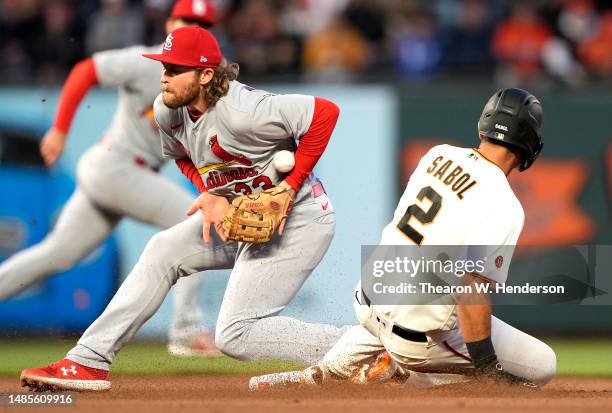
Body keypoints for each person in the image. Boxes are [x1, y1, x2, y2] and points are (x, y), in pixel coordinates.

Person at [19, 25, 347, 392]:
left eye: (175, 70)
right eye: (164, 68)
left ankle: (356, 347)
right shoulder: (167, 111)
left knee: (236, 335)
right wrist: (209, 193)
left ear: (206, 75)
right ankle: (88, 362)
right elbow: (182, 157)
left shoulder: (243, 111)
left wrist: (288, 187)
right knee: (162, 250)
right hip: (239, 214)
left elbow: (325, 113)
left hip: (301, 220)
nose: (164, 78)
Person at [252, 88, 557, 391]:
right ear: (530, 144)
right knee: (541, 366)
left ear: (484, 123)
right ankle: (403, 371)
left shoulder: (437, 155)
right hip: (415, 338)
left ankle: (323, 373)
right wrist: (487, 368)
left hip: (368, 303)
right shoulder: (505, 204)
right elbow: (469, 289)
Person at [0, 0, 222, 357]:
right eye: (184, 20)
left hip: (125, 175)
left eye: (201, 24)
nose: (191, 28)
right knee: (197, 224)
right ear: (169, 23)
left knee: (56, 254)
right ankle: (185, 331)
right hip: (113, 166)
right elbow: (85, 71)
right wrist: (59, 130)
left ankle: (184, 330)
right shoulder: (145, 62)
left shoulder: (207, 83)